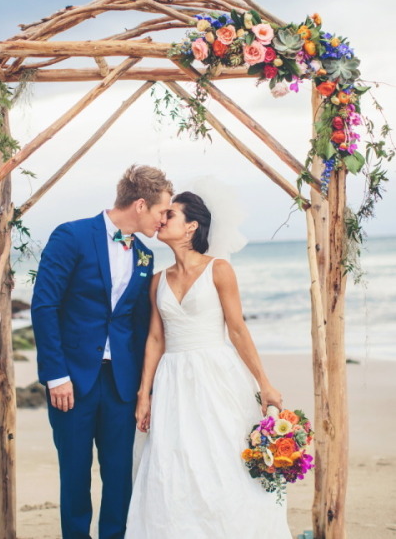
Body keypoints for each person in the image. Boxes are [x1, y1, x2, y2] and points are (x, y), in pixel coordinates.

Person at [125, 192, 292, 539]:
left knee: (223, 460)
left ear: (191, 227)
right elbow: (155, 339)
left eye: (170, 214)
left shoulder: (219, 269)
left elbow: (237, 329)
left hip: (217, 375)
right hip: (173, 381)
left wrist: (264, 382)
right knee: (175, 464)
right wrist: (145, 394)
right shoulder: (157, 280)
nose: (161, 219)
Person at [31, 165, 173, 539]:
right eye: (162, 212)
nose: (164, 220)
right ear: (141, 205)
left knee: (120, 477)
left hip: (121, 385)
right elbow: (45, 306)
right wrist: (56, 376)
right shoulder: (71, 236)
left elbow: (141, 325)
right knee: (75, 476)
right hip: (72, 382)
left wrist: (146, 387)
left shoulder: (144, 255)